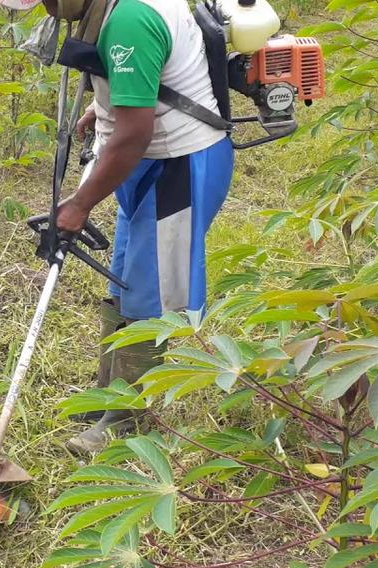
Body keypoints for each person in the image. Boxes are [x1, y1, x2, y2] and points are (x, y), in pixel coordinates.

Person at [36, 0, 237, 454]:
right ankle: (111, 396)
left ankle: (129, 420)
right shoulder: (114, 10)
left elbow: (133, 134)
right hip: (148, 159)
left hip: (180, 163)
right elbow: (143, 84)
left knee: (153, 292)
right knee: (125, 277)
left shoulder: (130, 19)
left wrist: (80, 205)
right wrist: (101, 109)